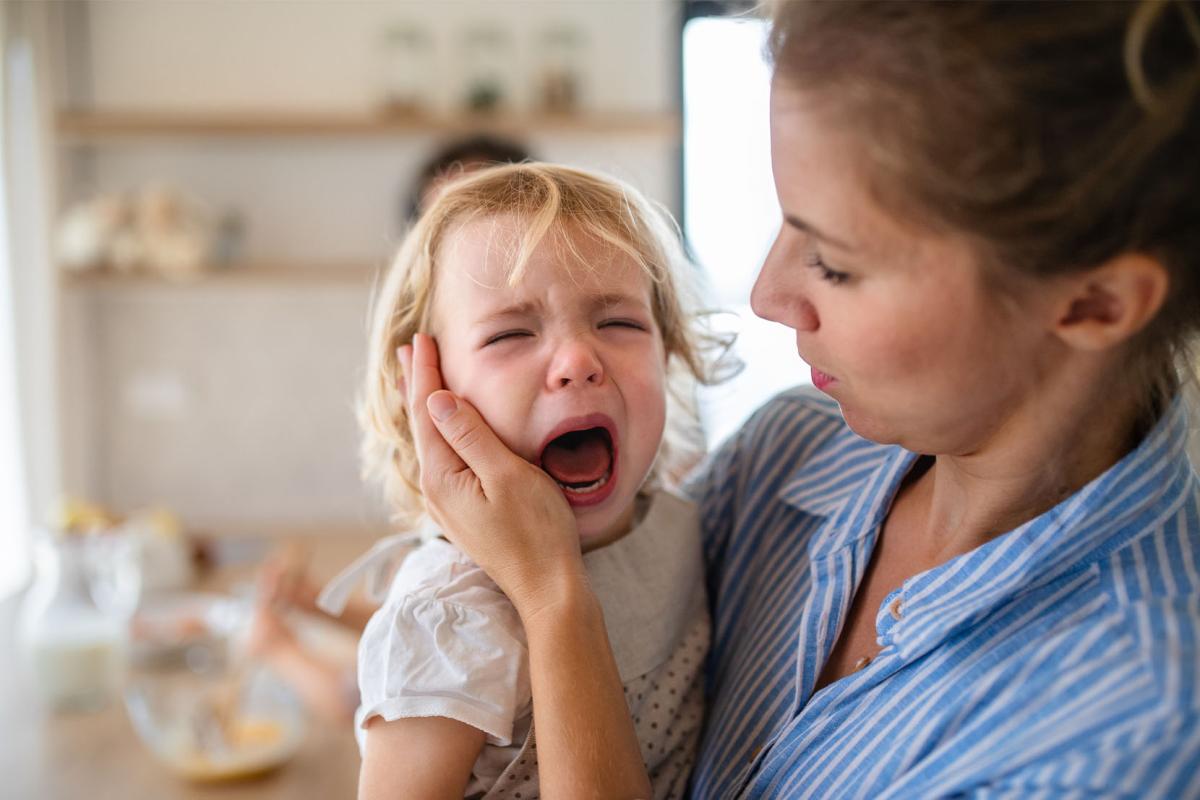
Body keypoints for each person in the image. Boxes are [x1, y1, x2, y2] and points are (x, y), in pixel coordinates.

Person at [398, 1, 1200, 797]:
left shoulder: (1127, 737)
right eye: (786, 222)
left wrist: (552, 595)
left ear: (1095, 303)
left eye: (837, 262)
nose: (766, 293)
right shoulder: (781, 457)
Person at [342, 162, 732, 798]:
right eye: (511, 334)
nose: (578, 362)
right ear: (424, 389)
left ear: (668, 353)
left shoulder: (683, 523)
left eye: (619, 323)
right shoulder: (450, 616)